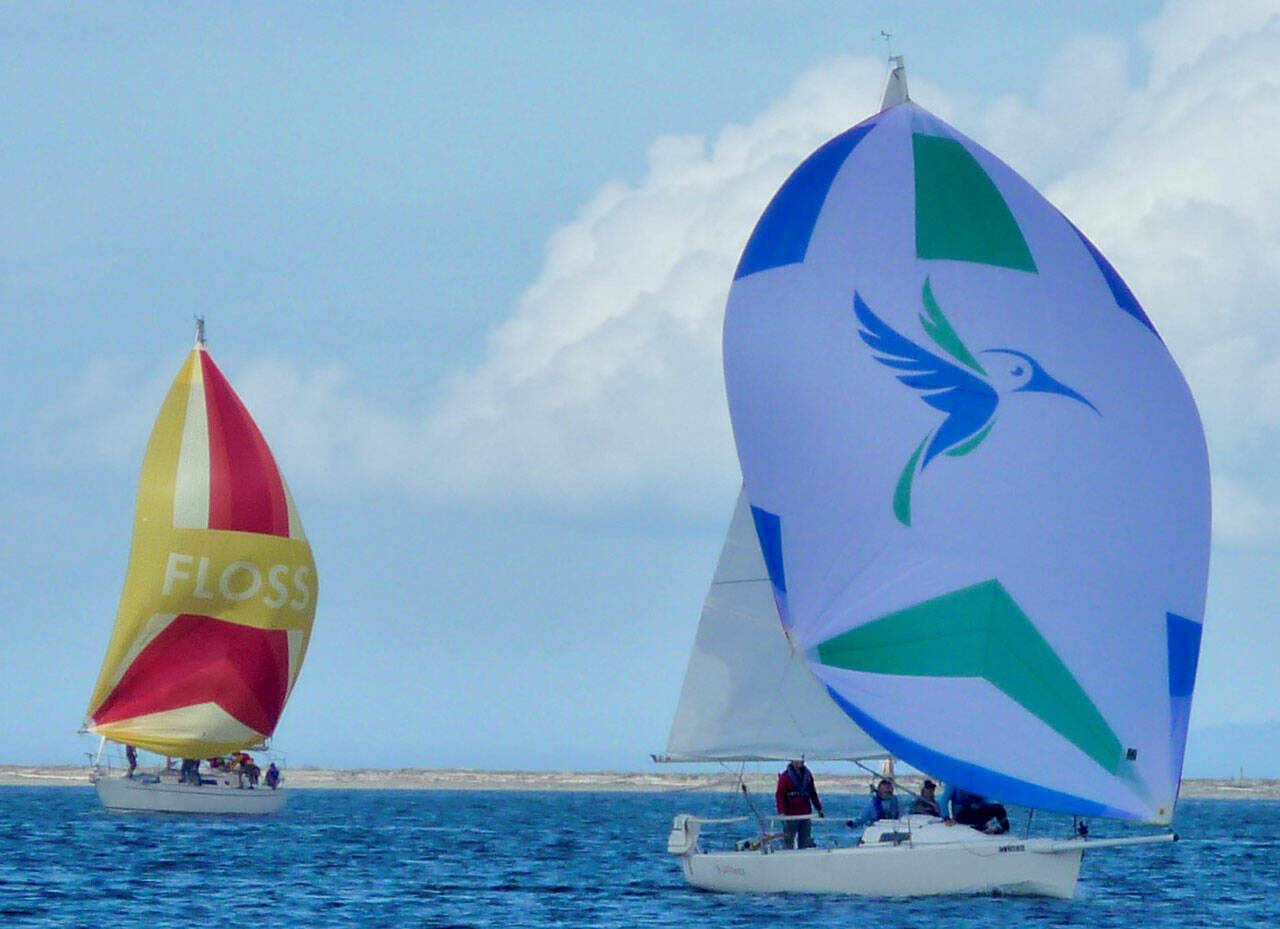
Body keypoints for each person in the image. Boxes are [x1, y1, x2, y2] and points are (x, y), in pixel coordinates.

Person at [775, 758, 824, 849]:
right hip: (790, 815)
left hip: (805, 814)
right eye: (796, 760)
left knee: (805, 840)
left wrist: (819, 808)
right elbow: (780, 795)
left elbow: (813, 793)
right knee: (788, 840)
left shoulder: (808, 776)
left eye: (801, 760)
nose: (799, 762)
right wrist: (781, 812)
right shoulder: (785, 777)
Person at [940, 783, 1010, 834]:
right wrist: (946, 818)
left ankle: (1006, 831)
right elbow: (943, 801)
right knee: (978, 817)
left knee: (999, 808)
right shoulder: (953, 784)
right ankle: (983, 828)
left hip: (975, 812)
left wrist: (991, 810)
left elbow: (984, 801)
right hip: (961, 814)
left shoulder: (976, 784)